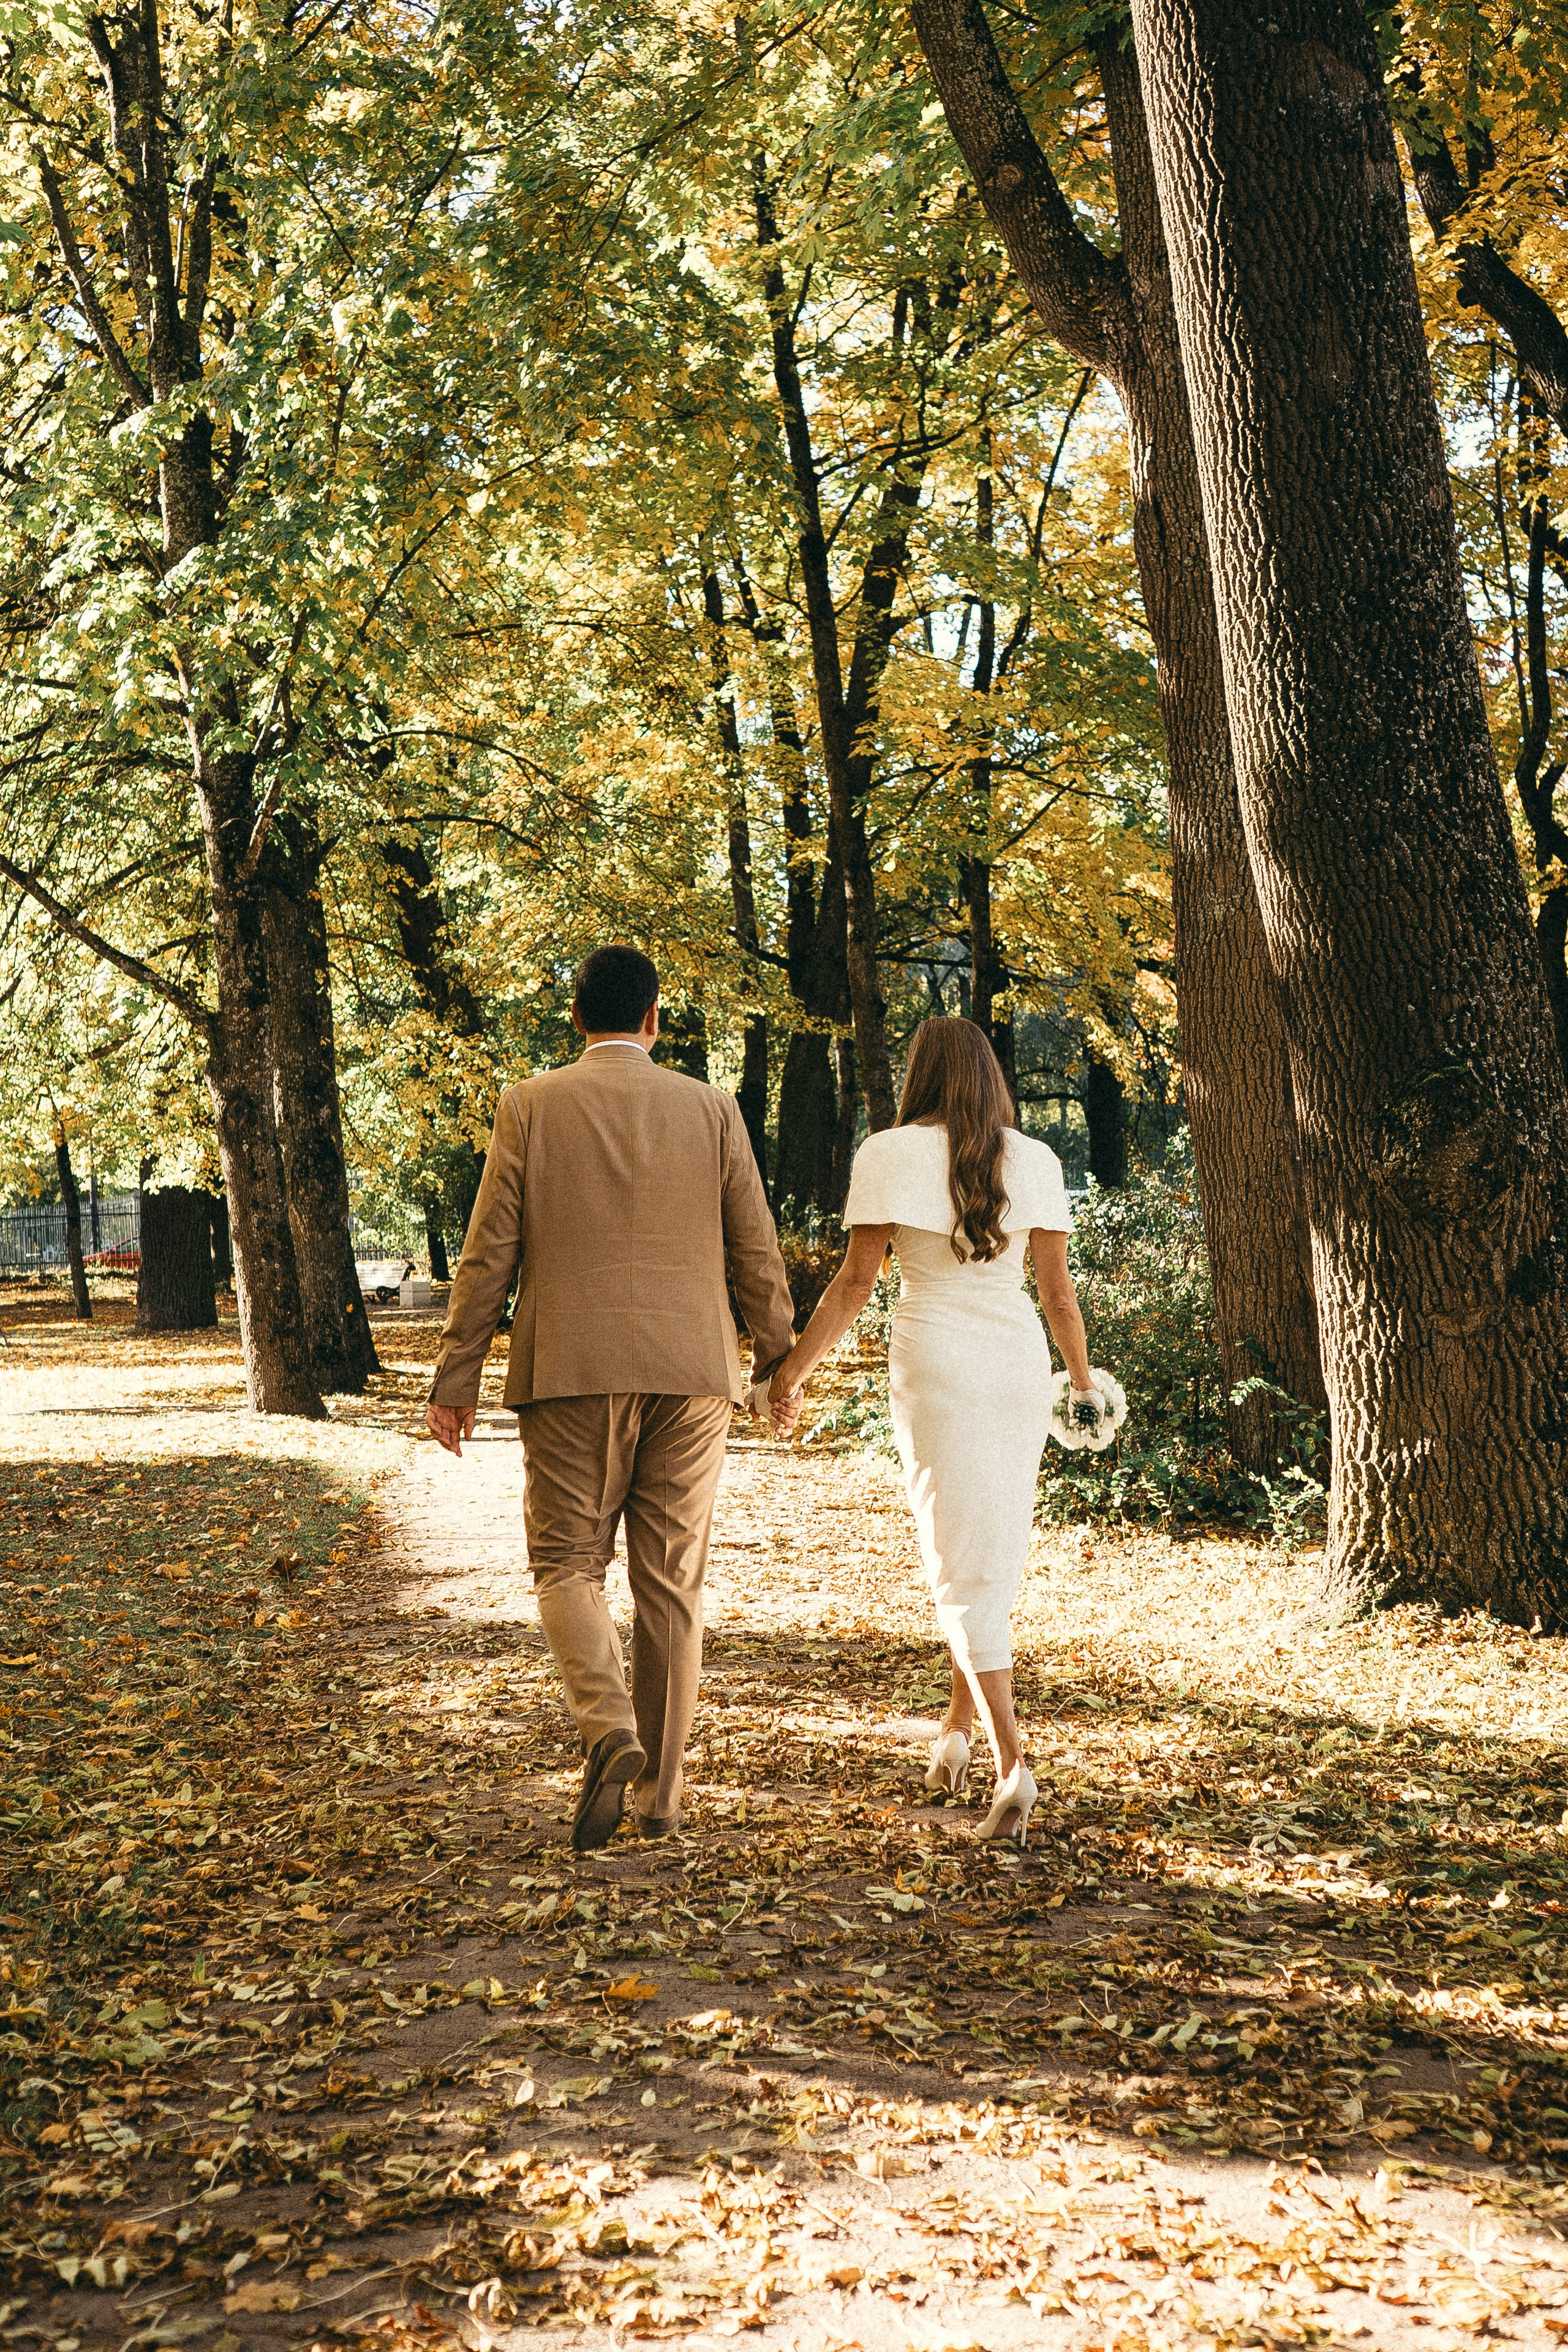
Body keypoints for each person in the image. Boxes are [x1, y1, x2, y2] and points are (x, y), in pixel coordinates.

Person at [426, 946, 801, 1851]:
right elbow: (755, 1247)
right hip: (692, 1371)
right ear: (655, 1019)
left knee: (565, 1566)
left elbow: (489, 1253)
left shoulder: (531, 1105)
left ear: (577, 1016)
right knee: (671, 1585)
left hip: (570, 1368)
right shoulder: (712, 1109)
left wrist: (457, 1376)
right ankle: (662, 1799)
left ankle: (608, 1726)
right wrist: (778, 1361)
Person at [771, 1016, 1112, 1849]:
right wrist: (1082, 1385)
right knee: (987, 1551)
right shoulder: (1036, 1160)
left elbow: (854, 1285)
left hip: (938, 1367)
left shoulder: (886, 1155)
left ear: (919, 1074)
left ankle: (1012, 1765)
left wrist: (790, 1373)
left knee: (958, 1563)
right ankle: (954, 1736)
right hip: (1017, 1368)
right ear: (991, 1076)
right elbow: (1059, 1295)